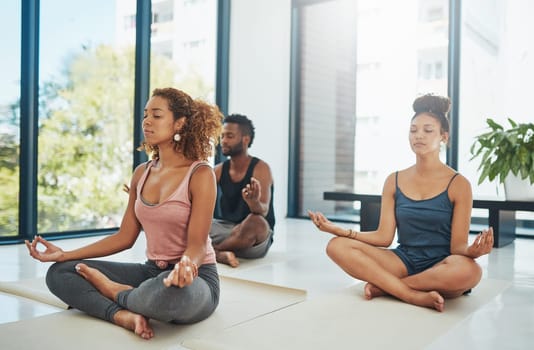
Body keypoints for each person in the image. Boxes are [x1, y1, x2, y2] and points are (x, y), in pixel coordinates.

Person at [25, 87, 223, 339]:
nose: (147, 121)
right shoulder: (142, 173)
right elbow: (124, 236)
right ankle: (122, 314)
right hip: (151, 272)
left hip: (195, 278)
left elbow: (196, 246)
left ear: (179, 123)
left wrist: (186, 266)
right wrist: (66, 255)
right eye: (145, 115)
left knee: (173, 294)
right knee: (60, 273)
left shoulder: (200, 174)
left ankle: (114, 292)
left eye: (157, 115)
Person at [308, 93, 494, 312]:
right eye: (413, 130)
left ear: (444, 136)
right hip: (403, 261)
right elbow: (384, 237)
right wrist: (339, 230)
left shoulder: (459, 184)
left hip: (442, 267)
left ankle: (388, 288)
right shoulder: (393, 180)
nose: (418, 136)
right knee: (336, 245)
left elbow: (457, 247)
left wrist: (474, 251)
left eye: (428, 130)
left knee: (471, 271)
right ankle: (410, 294)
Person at [210, 114, 275, 267]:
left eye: (230, 136)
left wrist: (254, 203)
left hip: (251, 237)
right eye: (222, 136)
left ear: (245, 139)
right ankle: (221, 251)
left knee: (256, 221)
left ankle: (214, 252)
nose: (224, 141)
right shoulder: (218, 170)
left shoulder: (261, 168)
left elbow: (263, 211)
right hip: (225, 229)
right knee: (186, 221)